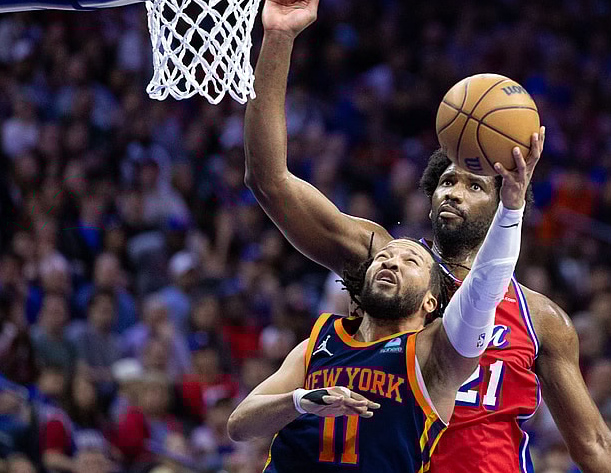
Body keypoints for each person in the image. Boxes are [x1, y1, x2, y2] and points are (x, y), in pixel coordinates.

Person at [244, 0, 611, 471]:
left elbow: (594, 443)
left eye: (473, 185)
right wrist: (280, 37)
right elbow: (270, 181)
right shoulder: (386, 259)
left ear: (503, 204)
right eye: (446, 181)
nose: (453, 191)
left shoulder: (541, 319)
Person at [228, 106, 533, 471]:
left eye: (411, 262)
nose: (391, 262)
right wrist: (300, 401)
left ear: (430, 300)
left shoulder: (434, 354)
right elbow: (239, 425)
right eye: (385, 256)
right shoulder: (321, 341)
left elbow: (484, 289)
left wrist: (511, 211)